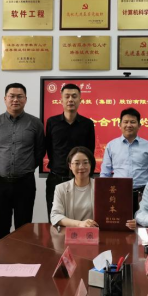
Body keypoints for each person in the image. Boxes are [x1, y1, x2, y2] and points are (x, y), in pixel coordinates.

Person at [0, 83, 45, 241]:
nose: (15, 100)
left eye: (19, 96)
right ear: (5, 99)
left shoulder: (35, 124)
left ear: (25, 99)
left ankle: (22, 257)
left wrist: (27, 167)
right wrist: (0, 166)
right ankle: (1, 257)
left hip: (25, 184)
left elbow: (40, 151)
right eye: (12, 96)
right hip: (0, 183)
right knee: (1, 229)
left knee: (23, 230)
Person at [45, 83, 96, 221]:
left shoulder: (87, 124)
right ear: (61, 100)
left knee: (84, 219)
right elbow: (49, 148)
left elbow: (90, 151)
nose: (70, 100)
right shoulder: (52, 122)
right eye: (67, 96)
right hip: (56, 178)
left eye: (74, 96)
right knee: (55, 220)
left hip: (81, 180)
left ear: (80, 100)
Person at [100, 107, 148, 214]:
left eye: (132, 122)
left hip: (143, 194)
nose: (129, 125)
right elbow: (105, 173)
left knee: (142, 221)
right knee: (120, 220)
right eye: (126, 122)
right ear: (119, 125)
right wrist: (104, 194)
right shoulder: (111, 145)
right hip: (118, 192)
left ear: (139, 125)